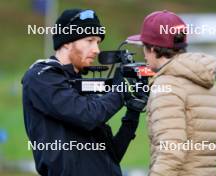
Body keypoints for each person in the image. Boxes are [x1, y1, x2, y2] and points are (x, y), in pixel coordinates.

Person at [22, 9, 146, 176]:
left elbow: (111, 157)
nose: (97, 50)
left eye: (98, 42)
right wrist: (121, 92)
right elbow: (88, 116)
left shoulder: (79, 83)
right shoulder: (42, 77)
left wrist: (132, 114)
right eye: (90, 40)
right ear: (66, 42)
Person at [128, 10, 216, 176]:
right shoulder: (202, 78)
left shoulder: (167, 84)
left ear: (152, 48)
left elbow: (171, 152)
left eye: (144, 46)